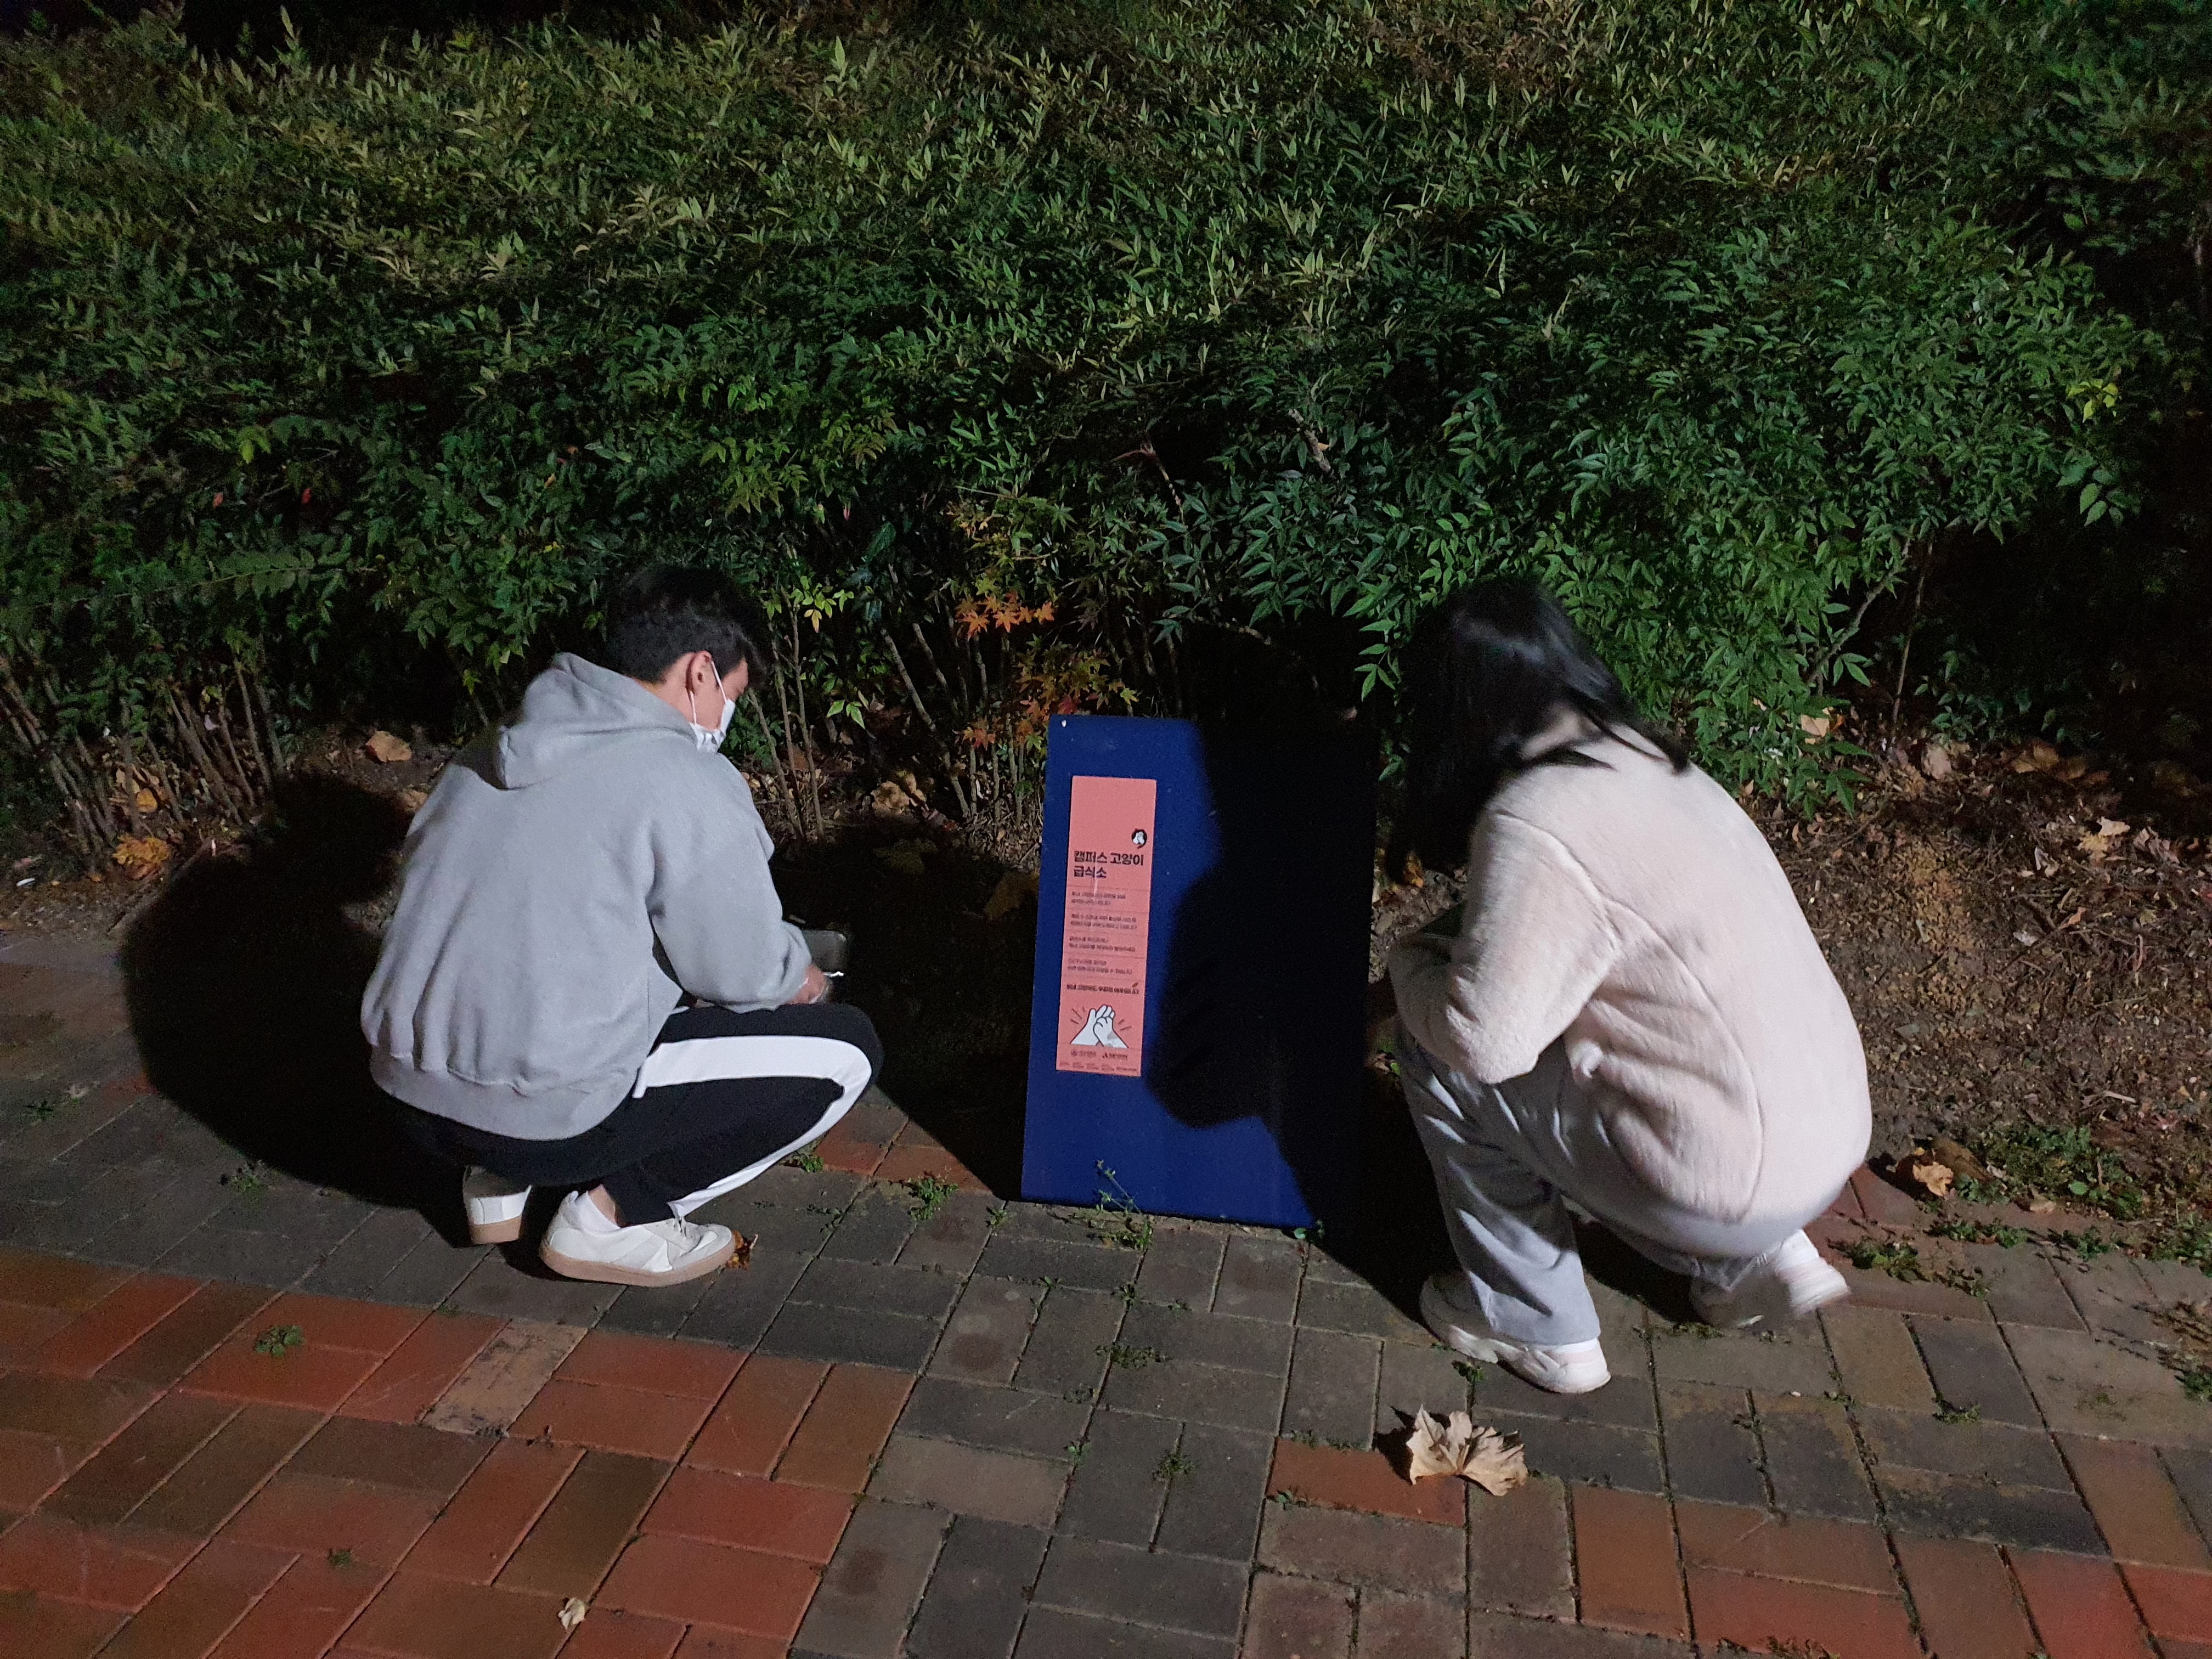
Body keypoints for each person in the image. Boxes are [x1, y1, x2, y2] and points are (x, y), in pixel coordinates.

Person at [1386, 579, 1867, 1393]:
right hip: (1825, 1136)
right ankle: (1759, 1258)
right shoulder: (1650, 760)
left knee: (1440, 1051)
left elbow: (1485, 1042)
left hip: (1727, 1176)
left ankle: (1536, 1324)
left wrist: (1406, 968)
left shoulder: (1537, 814)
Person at [362, 567, 881, 1288]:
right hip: (540, 1118)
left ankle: (496, 1185)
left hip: (407, 1096)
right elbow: (743, 972)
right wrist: (810, 981)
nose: (726, 714)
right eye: (732, 695)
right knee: (846, 1052)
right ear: (700, 672)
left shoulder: (496, 746)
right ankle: (616, 1218)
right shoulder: (685, 780)